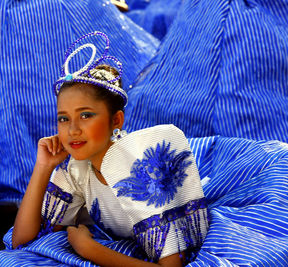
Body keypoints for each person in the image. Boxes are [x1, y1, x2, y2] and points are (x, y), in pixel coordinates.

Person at [11, 31, 208, 266]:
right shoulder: (78, 168)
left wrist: (88, 248)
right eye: (63, 119)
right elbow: (21, 241)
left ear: (116, 121)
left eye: (86, 115)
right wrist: (43, 167)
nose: (72, 130)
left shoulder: (139, 169)